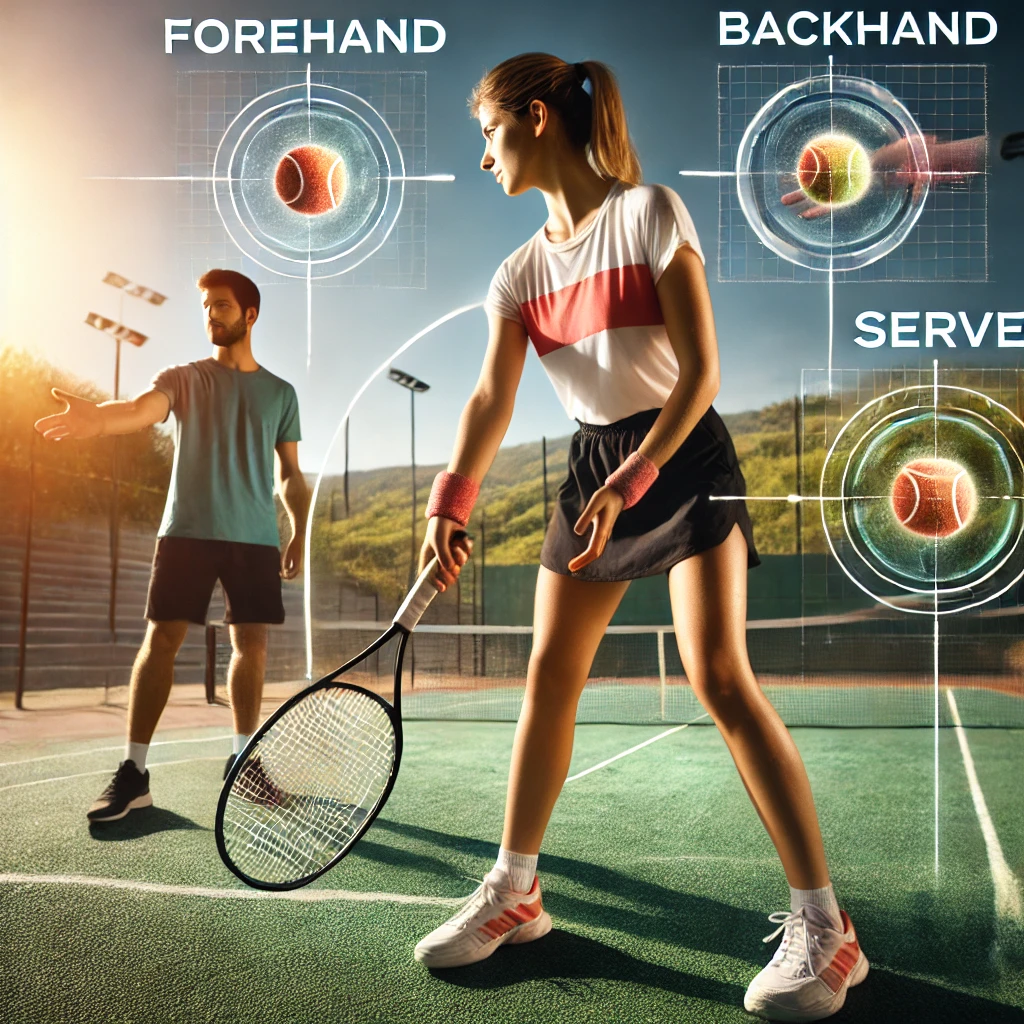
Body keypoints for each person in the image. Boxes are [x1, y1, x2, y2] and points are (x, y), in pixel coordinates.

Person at [412, 54, 867, 1022]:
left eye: (488, 133)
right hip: (592, 465)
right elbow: (492, 397)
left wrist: (641, 473)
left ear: (535, 118)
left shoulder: (651, 212)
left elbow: (700, 368)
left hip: (678, 452)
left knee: (717, 675)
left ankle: (828, 928)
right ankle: (516, 890)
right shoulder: (517, 272)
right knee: (548, 675)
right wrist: (449, 500)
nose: (482, 156)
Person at [34, 269, 308, 824]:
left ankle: (242, 761)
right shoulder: (183, 378)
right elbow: (138, 411)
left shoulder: (281, 393)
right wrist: (97, 421)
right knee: (161, 641)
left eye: (223, 306)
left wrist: (298, 526)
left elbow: (291, 474)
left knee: (249, 647)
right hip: (185, 531)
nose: (212, 314)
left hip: (254, 537)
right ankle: (134, 775)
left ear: (250, 315)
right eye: (207, 305)